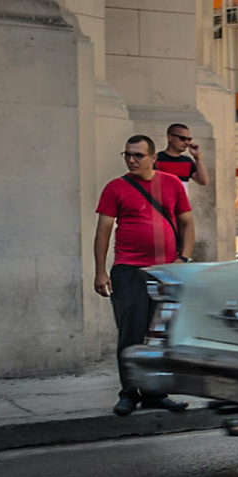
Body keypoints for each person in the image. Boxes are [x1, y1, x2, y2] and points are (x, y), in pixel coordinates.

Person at [92, 135, 192, 417]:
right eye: (128, 155)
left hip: (166, 273)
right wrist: (100, 271)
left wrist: (183, 257)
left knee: (159, 336)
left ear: (153, 158)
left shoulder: (171, 184)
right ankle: (128, 393)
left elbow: (187, 222)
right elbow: (103, 231)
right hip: (129, 271)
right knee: (131, 335)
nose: (132, 160)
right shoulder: (116, 188)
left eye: (138, 155)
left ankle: (155, 393)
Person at [154, 122, 209, 187]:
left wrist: (197, 157)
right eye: (182, 138)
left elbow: (203, 181)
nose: (186, 142)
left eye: (189, 139)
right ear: (170, 137)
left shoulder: (187, 161)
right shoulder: (156, 159)